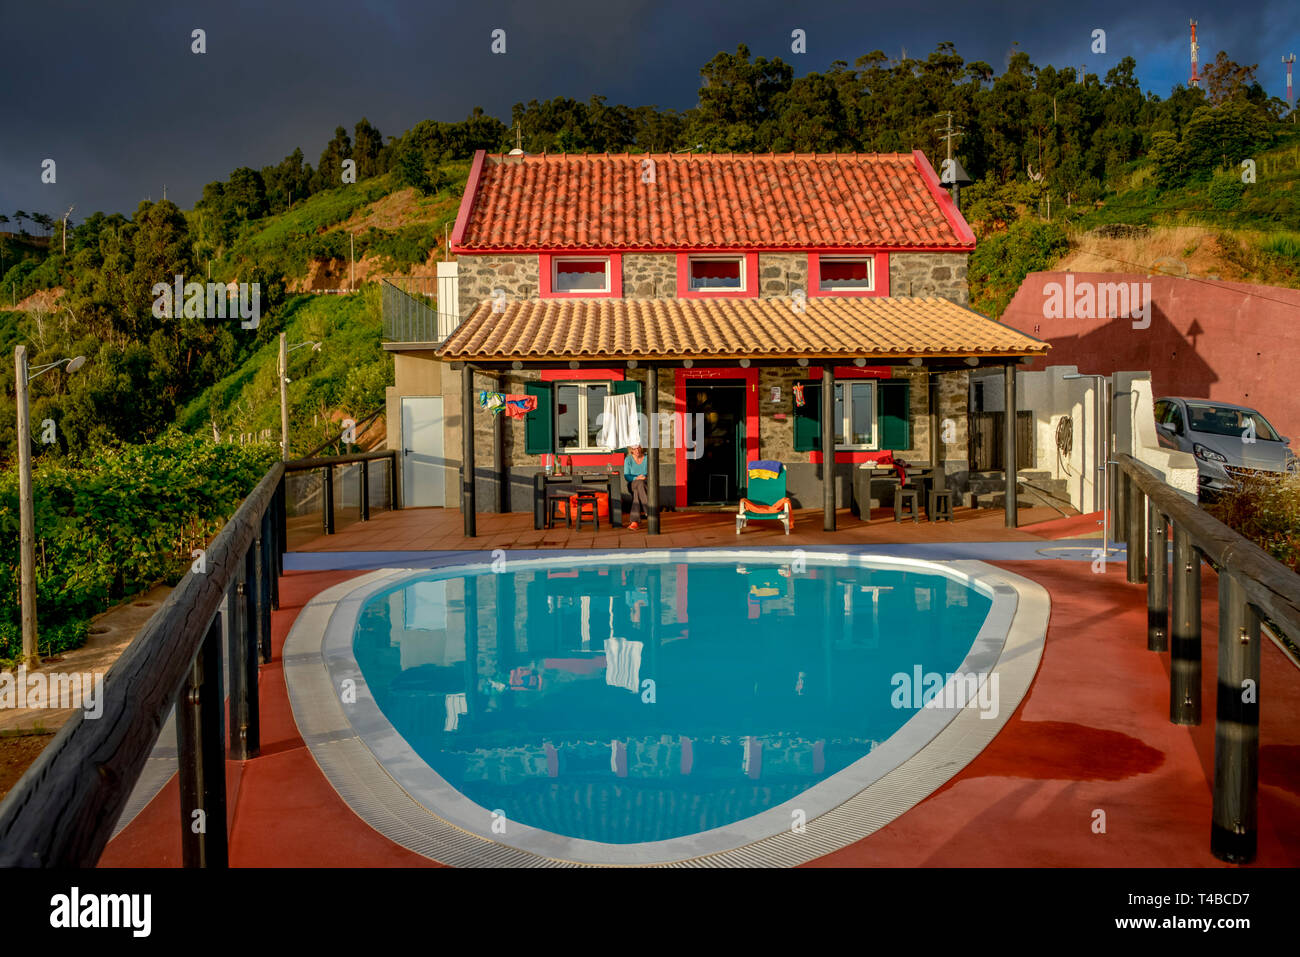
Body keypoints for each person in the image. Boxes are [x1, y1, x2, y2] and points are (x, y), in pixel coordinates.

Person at [624, 445, 649, 530]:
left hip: (645, 484)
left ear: (641, 448)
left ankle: (634, 521)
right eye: (634, 449)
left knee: (637, 492)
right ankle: (648, 511)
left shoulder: (647, 458)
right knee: (639, 483)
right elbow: (627, 476)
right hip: (632, 483)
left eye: (638, 448)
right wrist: (636, 478)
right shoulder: (628, 459)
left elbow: (652, 472)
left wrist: (645, 477)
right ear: (631, 450)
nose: (637, 450)